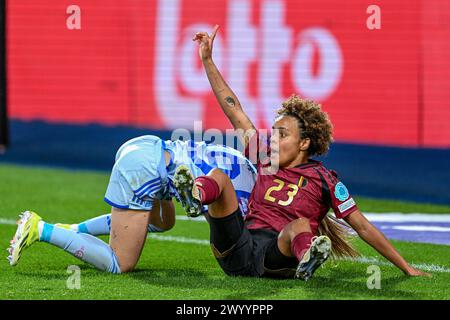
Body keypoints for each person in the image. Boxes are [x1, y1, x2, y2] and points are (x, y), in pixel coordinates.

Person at [169, 24, 431, 280]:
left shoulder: (324, 179)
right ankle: (195, 197)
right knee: (219, 176)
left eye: (282, 134)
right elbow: (234, 109)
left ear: (304, 144)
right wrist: (207, 60)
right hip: (238, 248)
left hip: (278, 256)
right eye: (273, 132)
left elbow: (361, 225)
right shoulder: (265, 158)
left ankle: (308, 257)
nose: (272, 139)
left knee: (300, 225)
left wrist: (405, 267)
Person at [7, 135, 256, 274]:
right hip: (144, 170)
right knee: (119, 263)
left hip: (149, 147)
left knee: (163, 222)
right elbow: (225, 233)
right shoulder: (247, 199)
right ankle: (40, 229)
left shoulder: (246, 163)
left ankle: (74, 230)